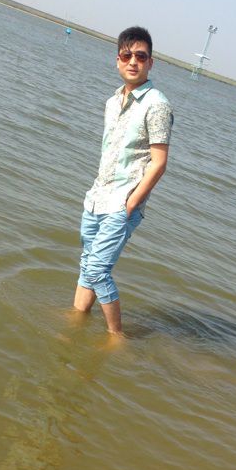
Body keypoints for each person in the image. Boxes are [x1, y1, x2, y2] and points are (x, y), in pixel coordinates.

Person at [72, 26, 174, 335]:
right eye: (127, 55)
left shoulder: (157, 105)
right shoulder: (112, 101)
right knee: (87, 264)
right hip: (97, 197)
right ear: (117, 60)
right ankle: (76, 318)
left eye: (140, 57)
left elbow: (159, 163)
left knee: (98, 270)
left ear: (150, 63)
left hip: (122, 203)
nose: (133, 62)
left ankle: (116, 336)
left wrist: (131, 204)